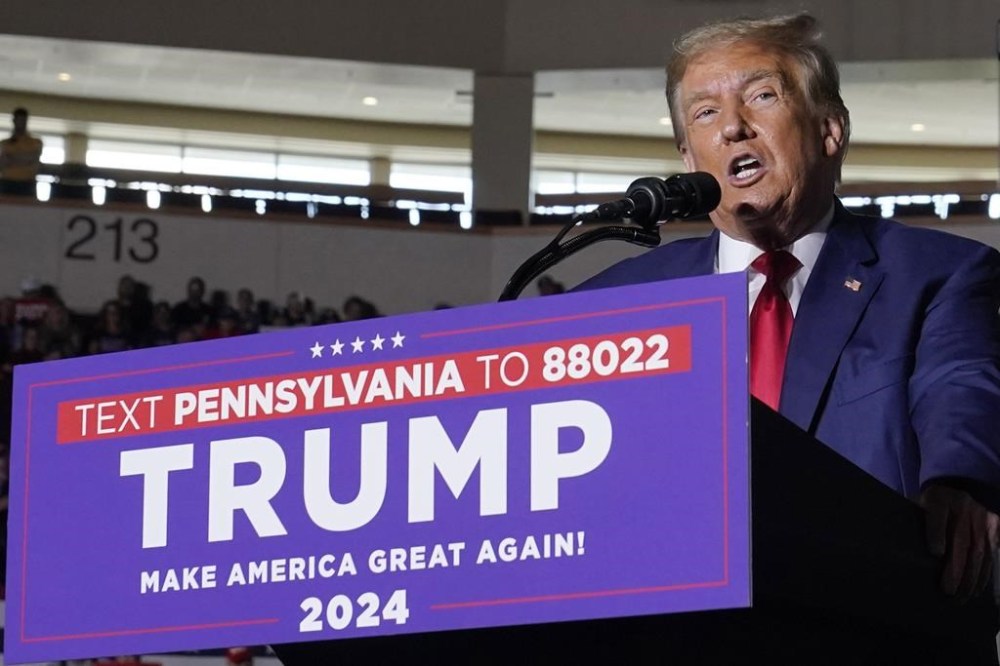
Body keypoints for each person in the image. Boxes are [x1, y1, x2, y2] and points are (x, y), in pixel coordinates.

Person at [577, 11, 1000, 656]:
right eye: (705, 113)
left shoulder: (937, 274)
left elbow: (961, 382)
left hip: (867, 628)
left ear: (829, 130)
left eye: (762, 96)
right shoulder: (615, 303)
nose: (733, 127)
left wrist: (963, 480)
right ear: (688, 158)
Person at [0, 108, 43, 182]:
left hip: (28, 182)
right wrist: (25, 159)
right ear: (14, 121)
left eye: (23, 120)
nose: (21, 123)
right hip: (7, 181)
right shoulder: (4, 143)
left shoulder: (36, 142)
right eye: (19, 120)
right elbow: (3, 162)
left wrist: (12, 157)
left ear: (26, 121)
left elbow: (35, 160)